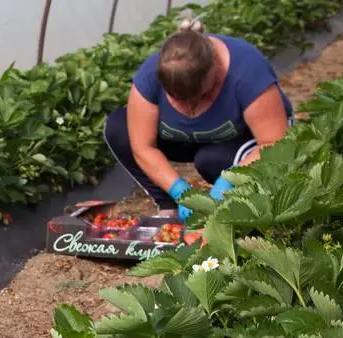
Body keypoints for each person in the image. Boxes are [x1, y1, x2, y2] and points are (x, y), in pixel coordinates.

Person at [102, 13, 293, 222]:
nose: (190, 107)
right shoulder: (149, 78)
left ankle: (245, 210)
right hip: (187, 139)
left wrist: (230, 180)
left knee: (211, 161)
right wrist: (179, 191)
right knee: (120, 129)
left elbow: (275, 142)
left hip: (240, 142)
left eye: (200, 96)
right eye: (177, 100)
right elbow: (143, 147)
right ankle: (168, 205)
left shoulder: (246, 72)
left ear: (215, 68)